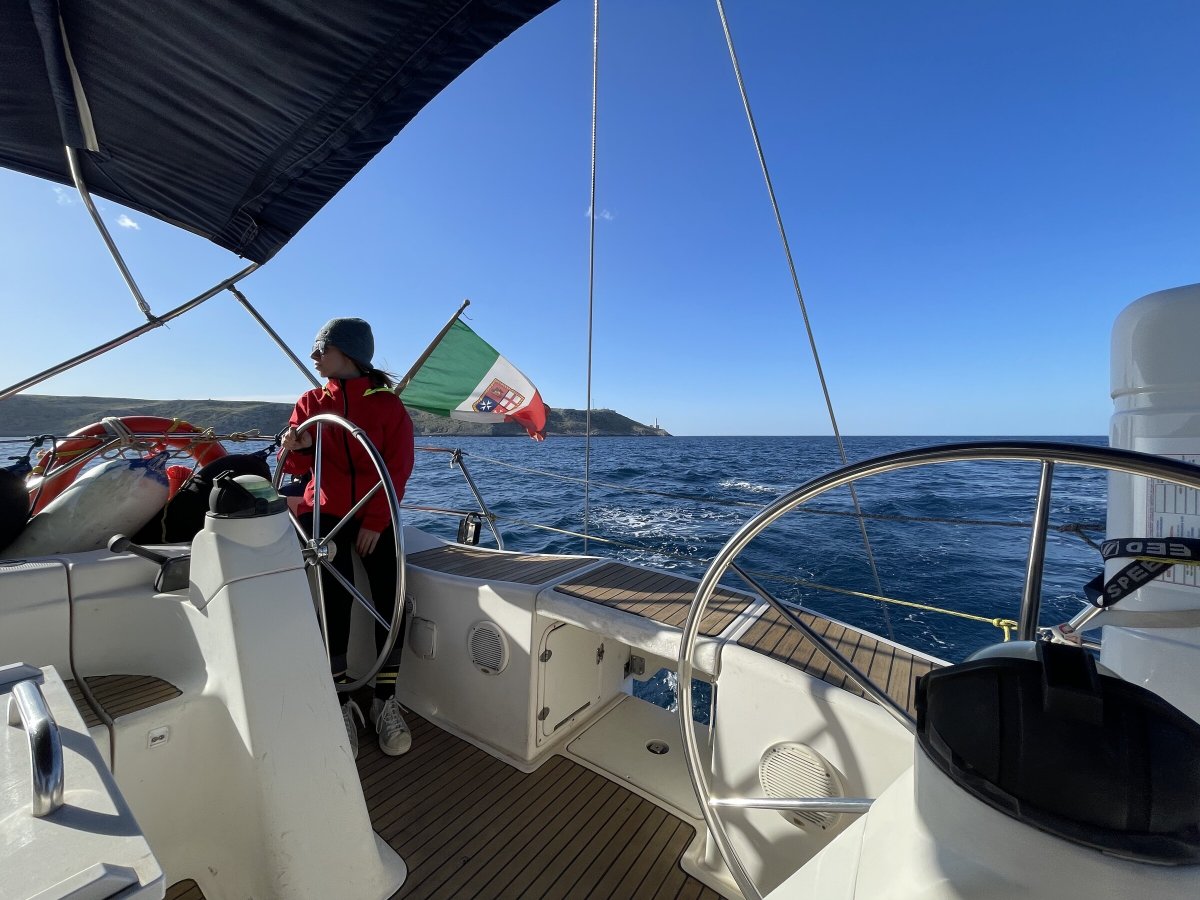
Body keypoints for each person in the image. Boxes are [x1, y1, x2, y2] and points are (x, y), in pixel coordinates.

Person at [279, 317, 415, 757]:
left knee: (392, 600)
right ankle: (340, 701)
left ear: (349, 353)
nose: (314, 356)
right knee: (335, 602)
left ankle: (383, 700)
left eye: (323, 349)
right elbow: (294, 468)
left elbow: (398, 468)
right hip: (326, 514)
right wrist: (297, 448)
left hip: (375, 513)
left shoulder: (387, 406)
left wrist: (375, 521)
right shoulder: (310, 404)